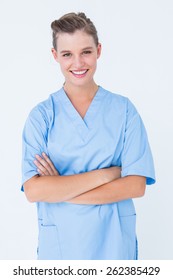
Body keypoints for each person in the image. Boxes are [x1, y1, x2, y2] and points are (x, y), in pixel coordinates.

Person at [21, 12, 155, 260]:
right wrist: (109, 174)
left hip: (113, 245)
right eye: (67, 54)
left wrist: (61, 189)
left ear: (99, 50)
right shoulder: (41, 117)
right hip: (61, 247)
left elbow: (136, 186)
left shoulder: (124, 111)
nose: (78, 63)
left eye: (86, 52)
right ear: (55, 56)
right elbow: (34, 191)